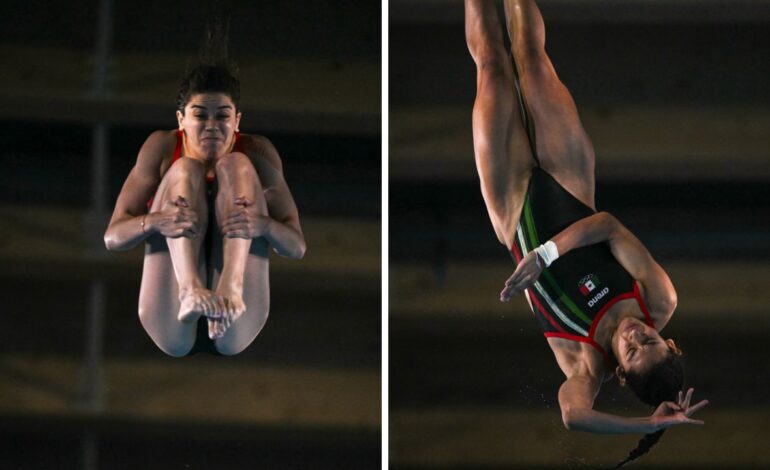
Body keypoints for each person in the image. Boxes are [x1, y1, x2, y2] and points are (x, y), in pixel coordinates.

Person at [464, 0, 707, 466]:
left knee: (493, 68)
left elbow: (574, 416)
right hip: (570, 186)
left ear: (619, 372)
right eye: (651, 340)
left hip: (515, 213)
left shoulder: (585, 364)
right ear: (668, 340)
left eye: (633, 351)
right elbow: (609, 226)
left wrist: (650, 426)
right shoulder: (659, 299)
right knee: (531, 57)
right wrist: (549, 254)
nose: (637, 335)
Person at [103, 24, 305, 357]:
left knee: (237, 165)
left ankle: (231, 286)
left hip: (237, 316)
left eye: (222, 116)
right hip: (171, 313)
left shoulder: (256, 152)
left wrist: (264, 226)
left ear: (237, 121)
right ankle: (190, 288)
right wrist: (155, 221)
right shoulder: (163, 148)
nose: (212, 126)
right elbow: (112, 237)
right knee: (185, 170)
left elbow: (296, 246)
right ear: (181, 119)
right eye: (200, 115)